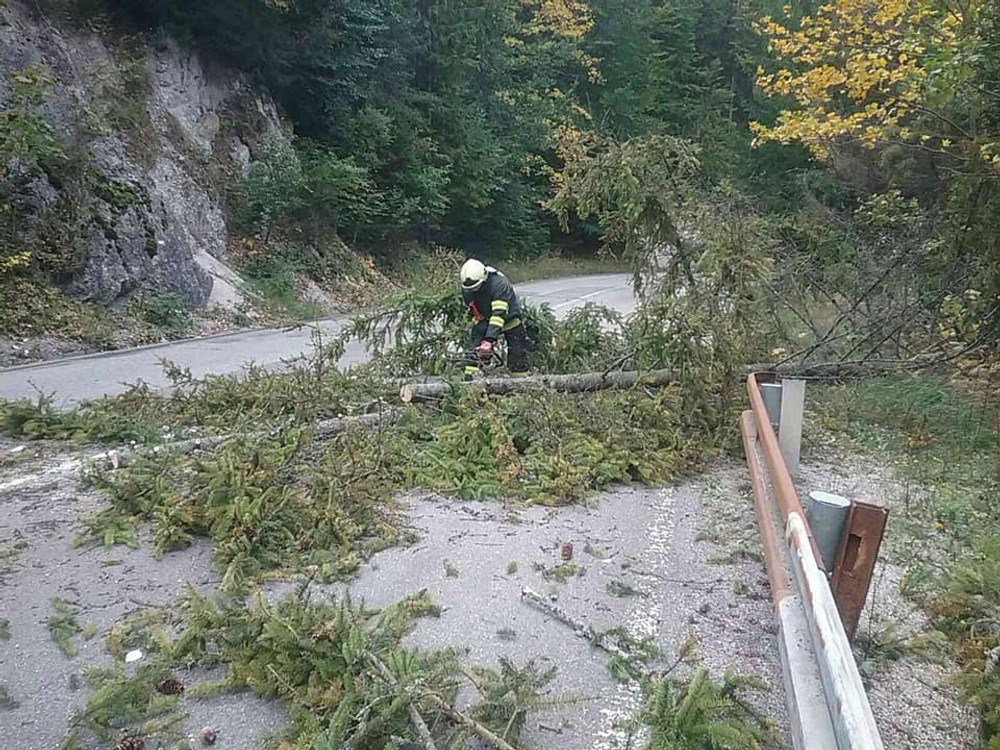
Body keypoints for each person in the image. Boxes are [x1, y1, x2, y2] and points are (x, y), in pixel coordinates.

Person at [460, 258, 531, 378]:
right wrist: (481, 335)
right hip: (486, 320)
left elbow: (499, 314)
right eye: (470, 289)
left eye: (475, 287)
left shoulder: (499, 285)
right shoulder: (467, 288)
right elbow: (473, 309)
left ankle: (520, 384)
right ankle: (469, 382)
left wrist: (489, 340)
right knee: (473, 353)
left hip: (510, 321)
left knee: (517, 355)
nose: (473, 290)